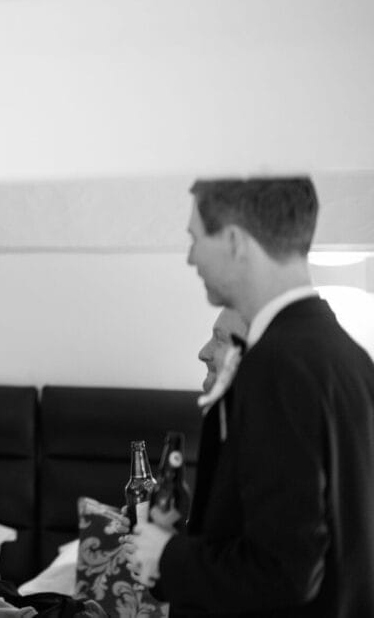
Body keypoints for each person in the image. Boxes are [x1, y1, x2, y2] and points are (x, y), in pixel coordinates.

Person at [127, 177, 374, 617]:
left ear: (235, 241)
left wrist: (166, 554)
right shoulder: (349, 357)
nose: (190, 257)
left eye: (195, 239)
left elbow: (284, 572)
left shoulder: (275, 364)